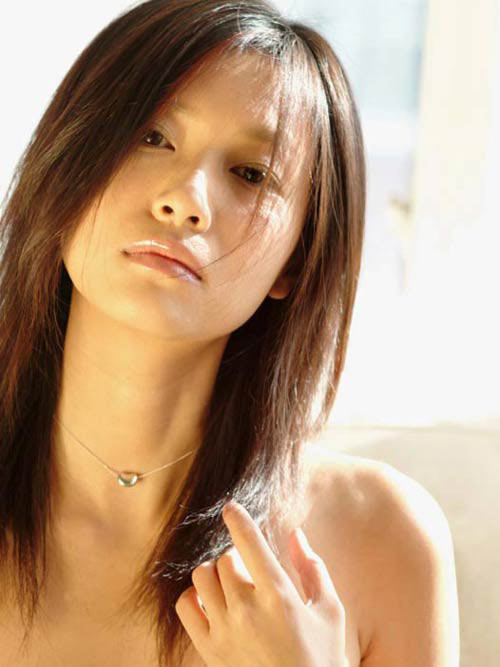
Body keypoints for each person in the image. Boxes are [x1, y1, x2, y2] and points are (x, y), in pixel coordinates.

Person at [0, 0, 459, 665]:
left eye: (249, 174)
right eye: (151, 137)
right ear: (65, 163)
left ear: (295, 262)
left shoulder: (383, 541)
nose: (185, 199)